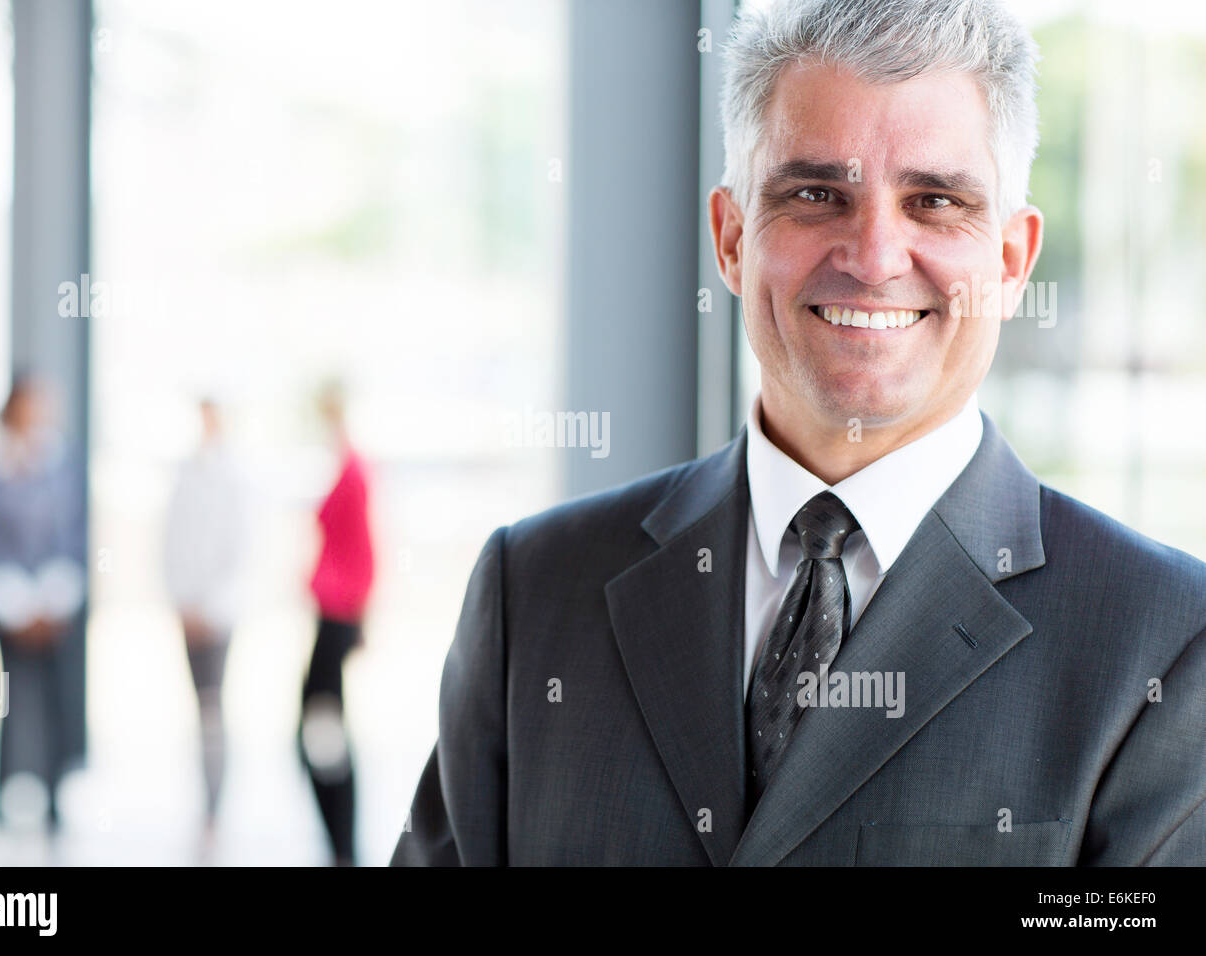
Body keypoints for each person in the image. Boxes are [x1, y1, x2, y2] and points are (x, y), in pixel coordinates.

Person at [392, 0, 1206, 866]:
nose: (874, 254)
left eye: (934, 201)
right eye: (817, 194)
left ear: (1010, 262)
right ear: (733, 237)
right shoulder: (534, 591)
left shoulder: (1165, 643)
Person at [0, 375, 87, 831]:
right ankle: (5, 787)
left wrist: (53, 592)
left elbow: (75, 533)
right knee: (8, 695)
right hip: (11, 603)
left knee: (55, 698)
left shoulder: (62, 464)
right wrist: (17, 596)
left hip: (55, 600)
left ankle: (55, 791)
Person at [162, 397, 247, 851]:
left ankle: (215, 803)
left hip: (216, 616)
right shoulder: (187, 472)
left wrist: (209, 607)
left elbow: (241, 552)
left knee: (213, 709)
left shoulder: (234, 477)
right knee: (199, 709)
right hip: (189, 611)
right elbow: (171, 542)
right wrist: (183, 602)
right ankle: (204, 798)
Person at [301, 382, 374, 865]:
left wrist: (357, 612)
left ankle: (343, 842)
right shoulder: (344, 464)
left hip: (339, 616)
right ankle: (339, 841)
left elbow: (365, 547)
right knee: (321, 725)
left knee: (320, 726)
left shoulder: (353, 470)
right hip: (333, 614)